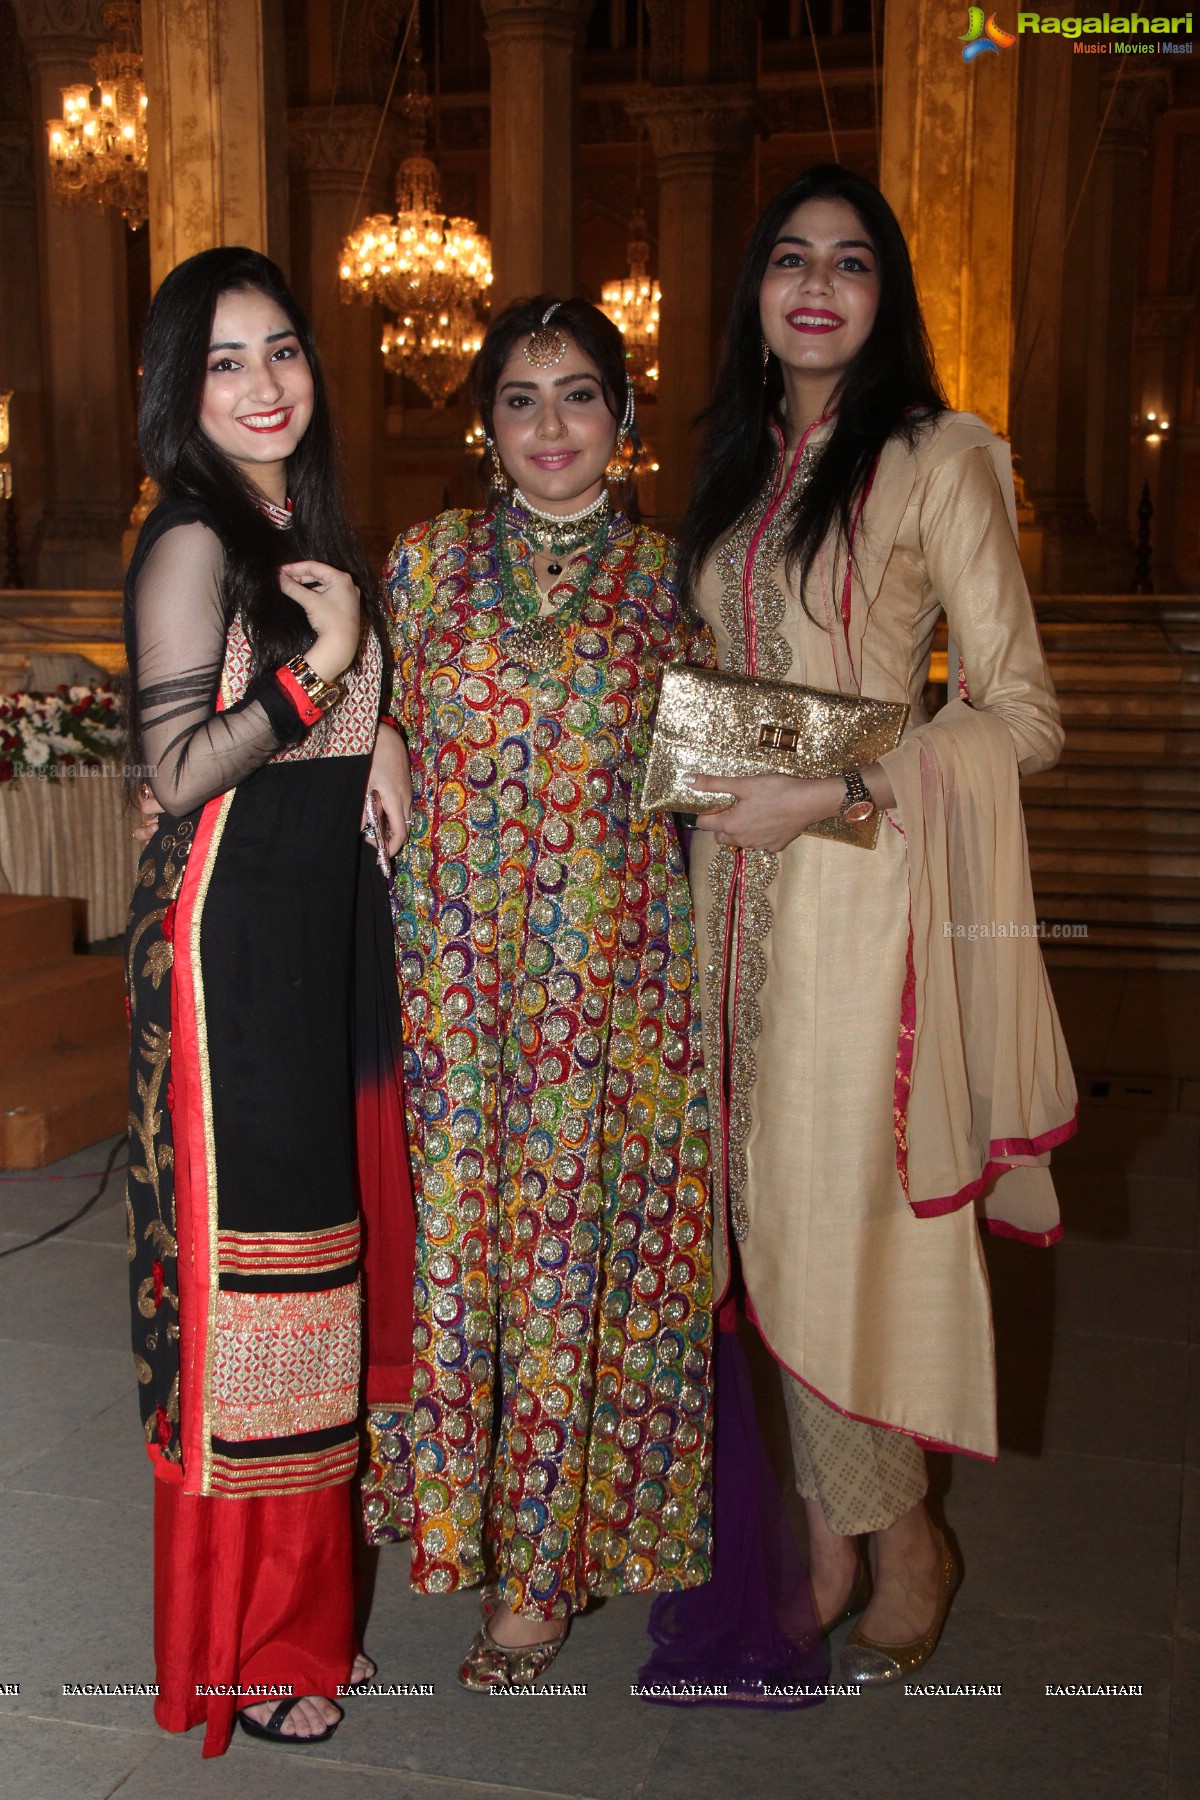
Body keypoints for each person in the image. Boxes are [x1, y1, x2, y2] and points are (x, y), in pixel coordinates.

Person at [680, 165, 1077, 1685]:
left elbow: (1021, 716)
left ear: (886, 293)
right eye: (790, 258)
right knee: (745, 1215)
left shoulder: (937, 458)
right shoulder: (736, 469)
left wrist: (830, 794)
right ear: (759, 294)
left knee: (828, 1219)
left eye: (852, 261)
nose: (818, 284)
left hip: (864, 901)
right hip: (724, 897)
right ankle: (829, 1533)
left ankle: (899, 1533)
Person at [377, 297, 713, 1688]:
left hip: (609, 978)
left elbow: (730, 773)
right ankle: (463, 1523)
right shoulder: (421, 565)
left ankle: (542, 1568)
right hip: (451, 974)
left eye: (580, 396)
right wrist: (374, 727)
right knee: (464, 1260)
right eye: (522, 399)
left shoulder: (673, 581)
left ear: (626, 426)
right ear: (485, 424)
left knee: (572, 1263)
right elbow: (351, 703)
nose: (552, 426)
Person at [123, 246, 411, 1755]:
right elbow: (172, 777)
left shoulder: (306, 530)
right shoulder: (190, 543)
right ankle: (248, 1642)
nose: (265, 384)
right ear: (183, 389)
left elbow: (341, 716)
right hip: (231, 963)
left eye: (283, 350)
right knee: (263, 1286)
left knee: (321, 1275)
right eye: (227, 362)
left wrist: (387, 730)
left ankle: (303, 1626)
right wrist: (331, 672)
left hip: (320, 945)